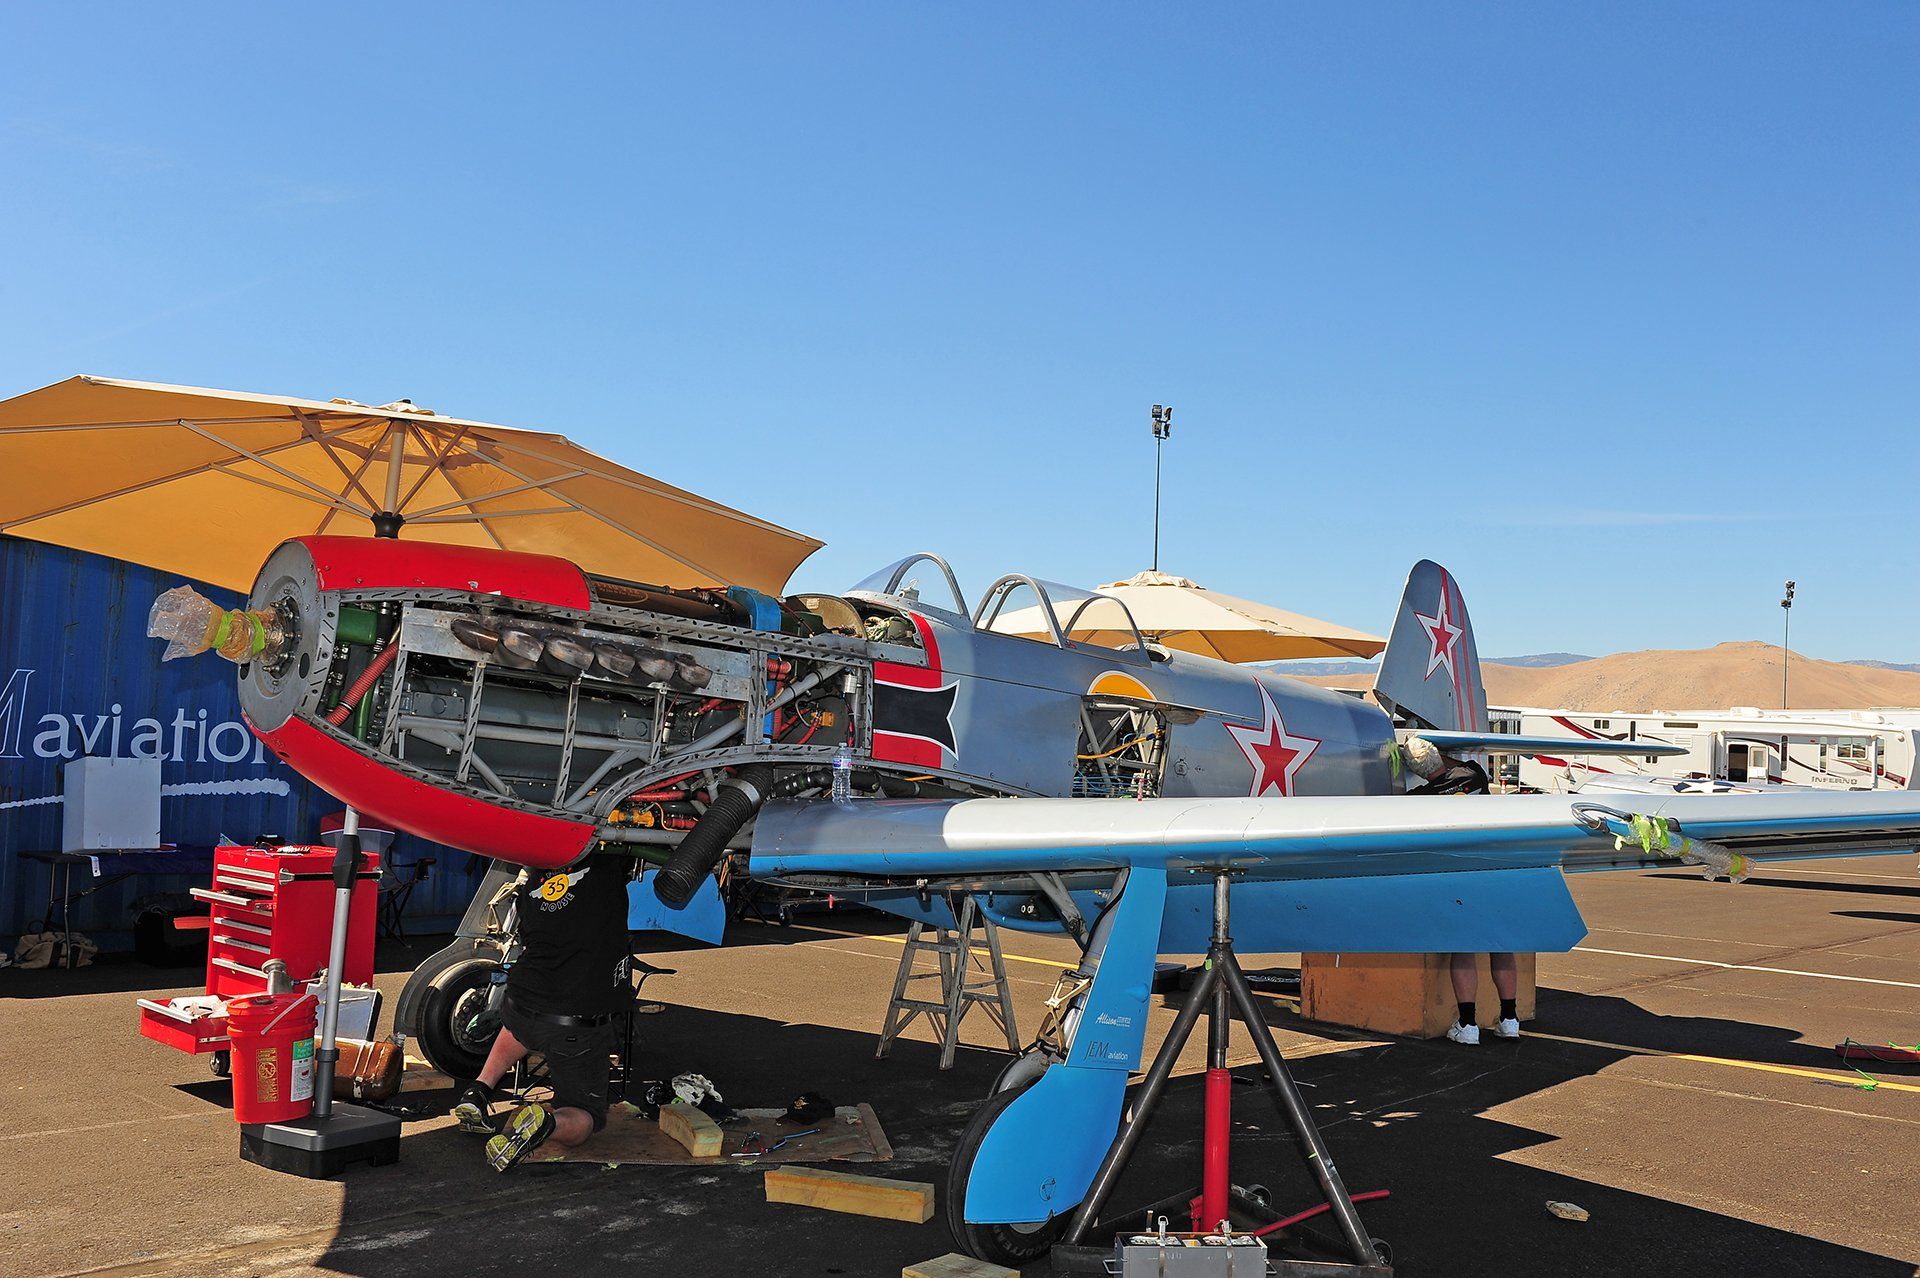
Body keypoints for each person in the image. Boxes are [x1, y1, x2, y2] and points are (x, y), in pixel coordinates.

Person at [449, 850, 635, 1171]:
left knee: (517, 1027)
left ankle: (478, 1091)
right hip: (576, 1021)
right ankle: (548, 1124)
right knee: (585, 1117)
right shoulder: (607, 866)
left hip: (525, 1000)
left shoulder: (533, 881)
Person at [1401, 737, 1521, 1046]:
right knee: (1500, 944)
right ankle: (1510, 1020)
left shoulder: (1419, 797)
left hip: (1458, 876)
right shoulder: (1474, 775)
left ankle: (1468, 1025)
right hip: (1493, 870)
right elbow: (1451, 765)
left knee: (1464, 947)